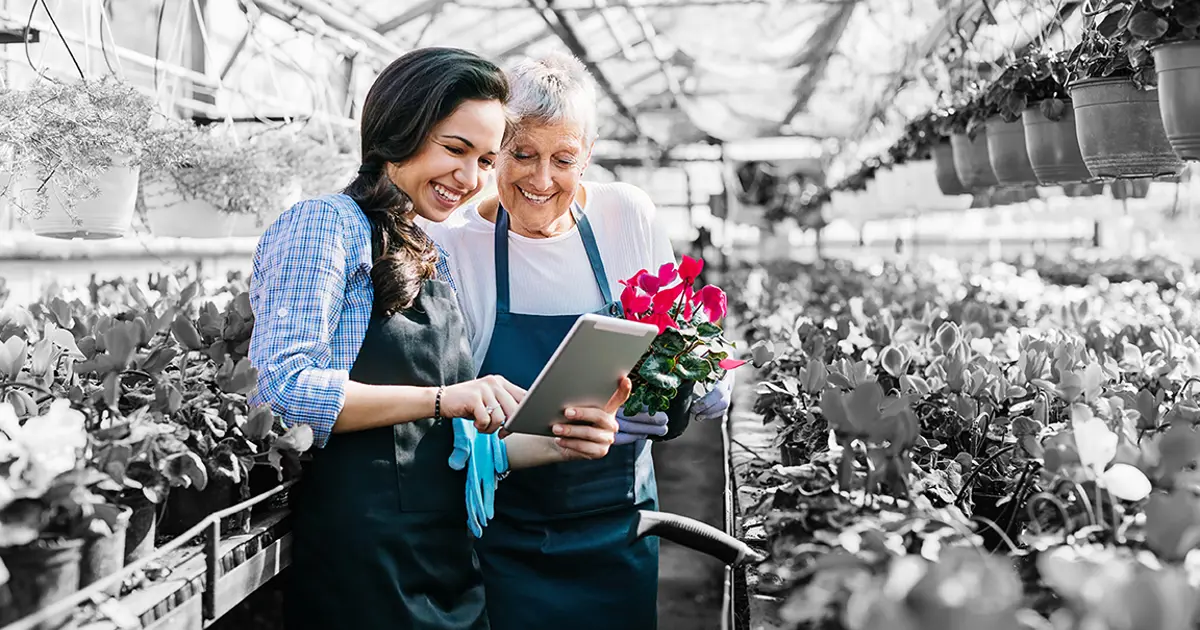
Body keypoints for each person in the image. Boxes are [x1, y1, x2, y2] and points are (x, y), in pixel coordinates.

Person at [247, 47, 627, 630]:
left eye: (484, 160)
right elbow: (281, 389)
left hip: (443, 556)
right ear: (400, 130)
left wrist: (562, 441)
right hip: (365, 560)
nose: (469, 178)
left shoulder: (428, 252)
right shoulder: (326, 224)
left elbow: (449, 446)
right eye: (455, 149)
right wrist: (444, 398)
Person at [425, 52, 733, 630]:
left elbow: (687, 337)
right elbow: (445, 402)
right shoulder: (455, 244)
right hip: (504, 532)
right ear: (495, 150)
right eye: (521, 155)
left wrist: (696, 387)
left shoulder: (627, 215)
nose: (541, 180)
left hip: (619, 522)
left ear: (587, 156)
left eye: (563, 159)